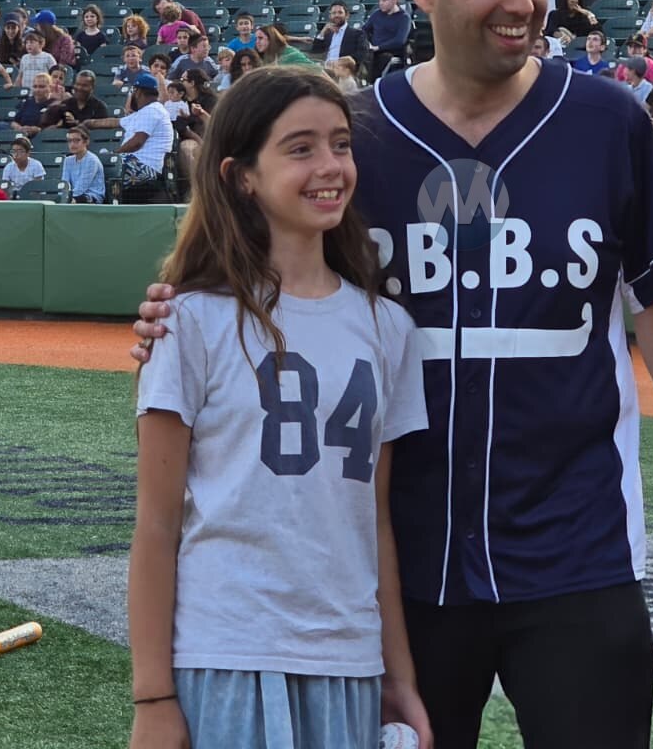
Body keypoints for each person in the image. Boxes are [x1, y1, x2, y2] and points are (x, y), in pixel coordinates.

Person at [133, 0, 653, 748]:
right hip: (400, 564)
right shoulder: (355, 141)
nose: (525, 0)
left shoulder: (607, 121)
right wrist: (173, 305)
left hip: (577, 550)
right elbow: (261, 267)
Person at [130, 67, 431, 749]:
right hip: (226, 654)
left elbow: (375, 521)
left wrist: (397, 675)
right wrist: (153, 696)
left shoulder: (388, 328)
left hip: (348, 662)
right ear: (242, 176)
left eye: (340, 144)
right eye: (300, 148)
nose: (330, 166)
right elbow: (156, 524)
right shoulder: (190, 321)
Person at [61, 126, 106, 204]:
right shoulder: (68, 160)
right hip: (72, 196)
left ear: (86, 142)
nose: (72, 144)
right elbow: (65, 183)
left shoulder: (92, 160)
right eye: (69, 141)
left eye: (77, 140)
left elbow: (82, 187)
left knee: (72, 201)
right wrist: (62, 196)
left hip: (92, 196)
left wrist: (66, 198)